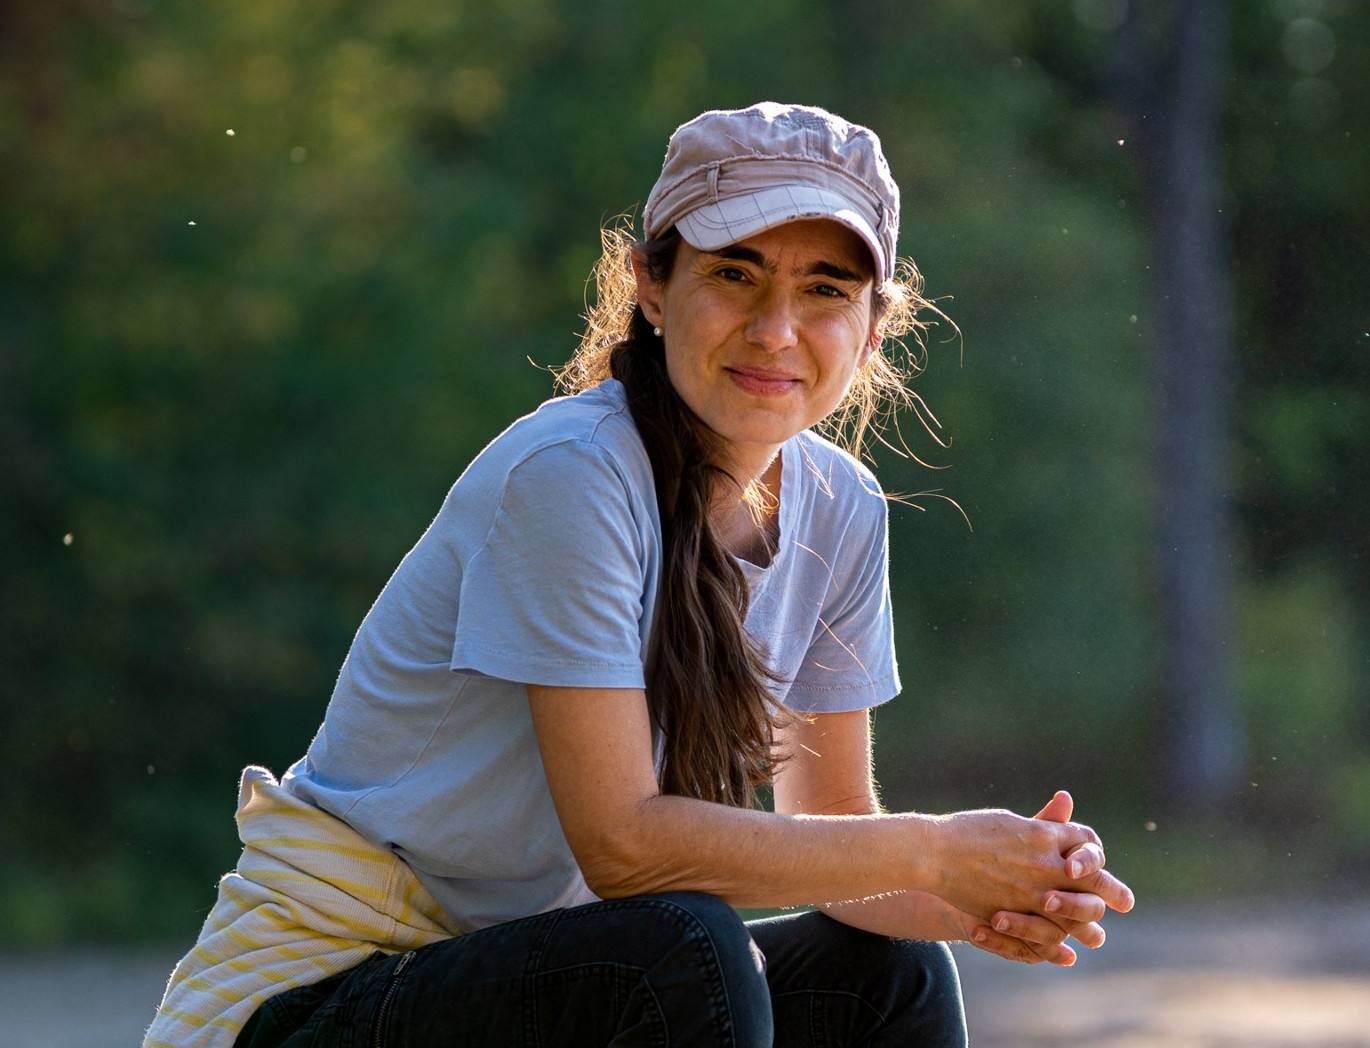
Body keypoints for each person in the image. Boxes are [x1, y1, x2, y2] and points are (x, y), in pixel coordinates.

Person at [144, 101, 1133, 1048]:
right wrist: (934, 848)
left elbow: (837, 849)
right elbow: (623, 846)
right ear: (651, 287)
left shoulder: (840, 506)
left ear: (874, 326)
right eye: (735, 275)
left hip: (542, 987)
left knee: (887, 973)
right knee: (678, 950)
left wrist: (995, 891)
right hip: (314, 1001)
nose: (776, 328)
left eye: (824, 290)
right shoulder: (572, 474)